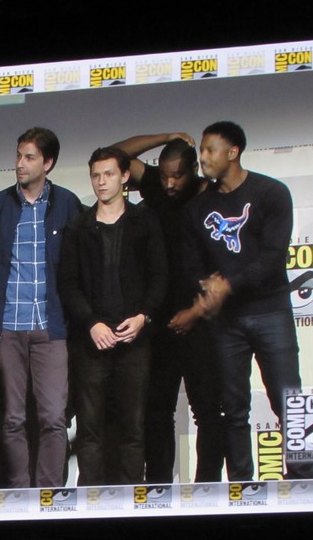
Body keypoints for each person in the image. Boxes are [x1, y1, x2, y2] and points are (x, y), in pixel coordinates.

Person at [169, 121, 302, 481]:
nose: (203, 157)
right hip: (226, 323)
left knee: (290, 400)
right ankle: (241, 484)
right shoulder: (198, 209)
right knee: (233, 408)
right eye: (201, 150)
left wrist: (227, 284)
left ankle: (304, 478)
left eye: (210, 150)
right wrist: (207, 287)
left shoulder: (271, 193)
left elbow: (273, 258)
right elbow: (192, 265)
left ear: (233, 152)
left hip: (271, 311)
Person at [111, 132, 223, 483]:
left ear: (194, 170)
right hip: (159, 323)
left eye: (178, 175)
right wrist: (165, 136)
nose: (170, 184)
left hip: (201, 321)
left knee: (208, 411)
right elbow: (113, 154)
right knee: (157, 413)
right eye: (164, 176)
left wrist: (196, 312)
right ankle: (159, 487)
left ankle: (207, 488)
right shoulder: (155, 190)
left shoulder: (212, 197)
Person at [58, 146, 167, 486]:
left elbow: (159, 275)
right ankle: (91, 497)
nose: (101, 182)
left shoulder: (144, 221)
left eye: (108, 174)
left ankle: (132, 495)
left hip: (134, 340)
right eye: (95, 175)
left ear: (124, 177)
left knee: (133, 427)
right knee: (89, 429)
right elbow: (68, 283)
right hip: (91, 343)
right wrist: (91, 323)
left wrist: (144, 317)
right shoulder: (78, 226)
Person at [0, 128, 82, 488]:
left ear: (48, 163)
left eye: (29, 157)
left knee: (54, 418)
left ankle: (49, 494)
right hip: (8, 324)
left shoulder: (67, 204)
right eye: (18, 155)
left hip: (50, 326)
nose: (20, 163)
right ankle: (19, 492)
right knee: (13, 418)